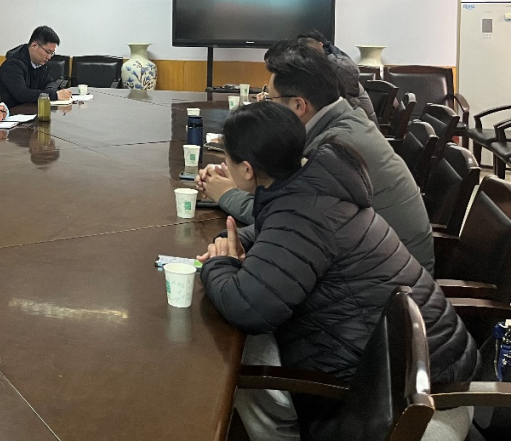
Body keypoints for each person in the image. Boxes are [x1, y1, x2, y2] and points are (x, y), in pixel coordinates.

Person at [199, 101, 478, 441]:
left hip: (418, 403)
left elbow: (248, 307)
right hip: (425, 366)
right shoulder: (314, 184)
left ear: (246, 170)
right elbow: (276, 231)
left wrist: (219, 263)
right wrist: (235, 242)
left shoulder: (303, 212)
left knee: (244, 355)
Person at [198, 41, 434, 273]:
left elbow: (290, 216)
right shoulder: (344, 121)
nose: (267, 107)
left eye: (271, 100)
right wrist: (245, 181)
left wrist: (227, 193)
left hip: (390, 283)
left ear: (299, 105)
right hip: (376, 265)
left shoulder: (334, 150)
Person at [298, 30, 378, 124]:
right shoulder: (322, 65)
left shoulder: (340, 68)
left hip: (360, 122)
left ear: (320, 45)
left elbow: (341, 105)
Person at [0, 25, 72, 108]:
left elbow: (49, 82)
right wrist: (54, 95)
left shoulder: (38, 63)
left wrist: (51, 91)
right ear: (34, 46)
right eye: (48, 52)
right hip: (7, 112)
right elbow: (22, 95)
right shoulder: (13, 64)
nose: (49, 57)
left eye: (52, 53)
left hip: (25, 110)